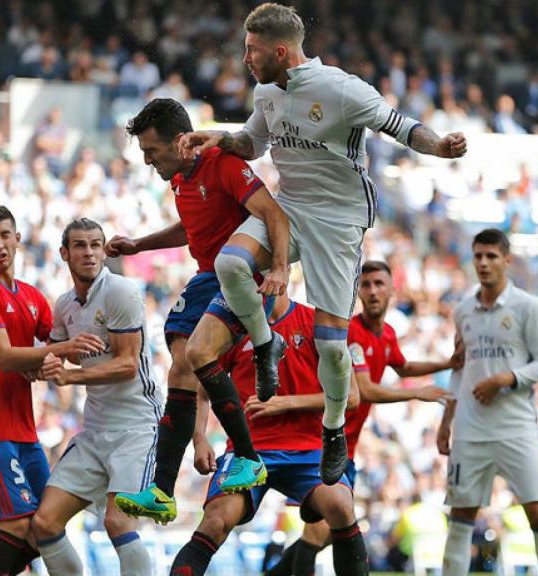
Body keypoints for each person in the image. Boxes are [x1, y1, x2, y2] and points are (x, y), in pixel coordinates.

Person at [178, 2, 468, 485]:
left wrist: (439, 146)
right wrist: (218, 139)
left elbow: (400, 125)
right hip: (290, 207)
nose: (246, 59)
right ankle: (266, 345)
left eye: (252, 50)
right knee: (231, 262)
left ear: (280, 50)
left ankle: (333, 430)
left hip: (337, 221)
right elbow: (253, 142)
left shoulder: (340, 89)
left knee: (331, 345)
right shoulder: (266, 90)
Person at [109, 98, 291, 522]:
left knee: (196, 355)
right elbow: (190, 229)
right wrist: (139, 244)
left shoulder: (222, 163)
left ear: (179, 141)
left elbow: (273, 213)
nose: (147, 160)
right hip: (208, 275)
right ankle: (162, 491)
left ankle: (248, 457)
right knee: (179, 368)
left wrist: (279, 270)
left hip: (244, 276)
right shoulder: (177, 177)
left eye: (152, 151)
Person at [264, 260, 458, 575]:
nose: (372, 291)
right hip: (323, 445)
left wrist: (447, 363)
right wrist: (417, 393)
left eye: (379, 284)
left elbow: (403, 367)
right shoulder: (351, 333)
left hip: (347, 449)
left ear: (392, 289)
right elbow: (364, 390)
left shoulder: (388, 334)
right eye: (365, 285)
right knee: (319, 533)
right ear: (358, 293)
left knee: (325, 534)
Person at [0, 205, 104, 575]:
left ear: (18, 239)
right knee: (19, 527)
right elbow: (5, 357)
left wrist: (52, 360)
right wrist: (58, 352)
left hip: (24, 429)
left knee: (46, 526)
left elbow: (54, 345)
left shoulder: (32, 297)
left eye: (5, 235)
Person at [169, 293, 361, 576]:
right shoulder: (231, 327)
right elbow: (202, 392)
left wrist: (286, 402)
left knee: (342, 507)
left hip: (308, 451)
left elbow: (353, 396)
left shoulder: (314, 323)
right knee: (216, 521)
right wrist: (199, 437)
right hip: (248, 453)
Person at [29, 219, 159, 576]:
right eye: (80, 246)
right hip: (96, 428)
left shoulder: (120, 292)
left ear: (103, 250)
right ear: (64, 253)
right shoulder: (65, 304)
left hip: (136, 426)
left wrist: (72, 375)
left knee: (118, 523)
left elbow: (127, 365)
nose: (89, 252)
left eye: (95, 245)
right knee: (44, 522)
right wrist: (40, 361)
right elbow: (60, 350)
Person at [438, 229, 538, 576]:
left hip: (516, 428)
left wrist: (506, 378)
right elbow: (458, 369)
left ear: (507, 260)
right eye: (478, 256)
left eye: (491, 256)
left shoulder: (527, 306)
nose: (483, 263)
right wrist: (446, 422)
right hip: (469, 429)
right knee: (461, 516)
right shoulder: (463, 310)